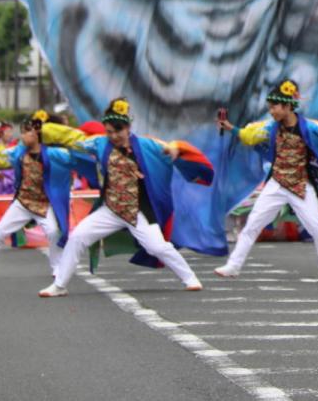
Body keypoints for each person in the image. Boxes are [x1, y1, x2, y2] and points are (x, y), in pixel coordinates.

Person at [38, 98, 214, 297]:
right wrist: (40, 130)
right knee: (77, 237)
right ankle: (59, 285)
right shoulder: (99, 143)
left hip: (138, 209)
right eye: (109, 132)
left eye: (118, 131)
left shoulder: (148, 145)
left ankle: (190, 278)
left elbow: (176, 147)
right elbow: (71, 137)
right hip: (111, 209)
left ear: (128, 127)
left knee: (157, 247)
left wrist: (176, 149)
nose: (113, 136)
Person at [215, 80, 318, 281]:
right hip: (276, 184)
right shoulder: (270, 128)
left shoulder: (308, 127)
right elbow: (248, 136)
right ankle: (233, 266)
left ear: (288, 106)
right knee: (252, 225)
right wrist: (231, 128)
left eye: (274, 107)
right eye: (270, 108)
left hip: (301, 185)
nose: (271, 111)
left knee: (316, 227)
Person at [0, 110, 97, 281]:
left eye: (27, 132)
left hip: (44, 204)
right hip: (23, 202)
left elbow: (75, 159)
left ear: (36, 134)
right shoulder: (18, 153)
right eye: (23, 131)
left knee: (53, 232)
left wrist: (92, 154)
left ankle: (57, 267)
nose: (23, 136)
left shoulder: (54, 154)